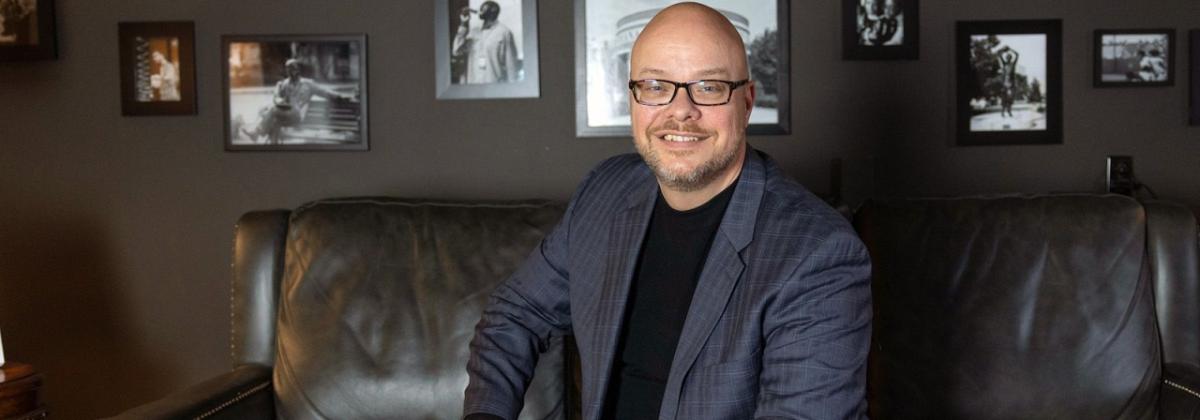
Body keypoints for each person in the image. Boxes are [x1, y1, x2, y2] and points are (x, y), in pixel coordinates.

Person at [463, 3, 872, 419]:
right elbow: (514, 314)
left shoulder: (817, 255)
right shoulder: (605, 192)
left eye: (709, 87)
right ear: (634, 99)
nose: (680, 110)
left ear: (746, 103)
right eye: (656, 85)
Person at [240, 58, 355, 144]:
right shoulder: (283, 84)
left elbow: (325, 93)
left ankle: (256, 133)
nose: (291, 71)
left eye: (293, 68)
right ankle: (273, 150)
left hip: (297, 115)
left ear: (298, 69)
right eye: (288, 69)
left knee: (273, 111)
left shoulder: (308, 84)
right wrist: (280, 99)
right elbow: (276, 98)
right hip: (283, 114)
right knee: (273, 120)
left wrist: (341, 96)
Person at [452, 1, 520, 84]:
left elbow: (511, 66)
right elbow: (456, 51)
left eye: (483, 8)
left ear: (493, 11)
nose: (480, 10)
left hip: (494, 88)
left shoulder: (504, 32)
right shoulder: (473, 32)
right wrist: (463, 25)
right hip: (473, 87)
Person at [997, 46, 1019, 118]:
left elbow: (1017, 54)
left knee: (1010, 99)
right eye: (1007, 57)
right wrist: (1003, 49)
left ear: (1011, 58)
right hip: (1004, 83)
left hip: (1011, 83)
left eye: (1009, 57)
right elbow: (999, 54)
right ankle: (1003, 112)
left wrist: (1011, 49)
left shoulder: (1013, 64)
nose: (1008, 58)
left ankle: (1009, 111)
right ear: (1006, 58)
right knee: (1004, 99)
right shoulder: (1004, 64)